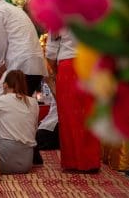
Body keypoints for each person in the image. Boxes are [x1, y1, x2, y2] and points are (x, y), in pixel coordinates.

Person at [46, 29, 100, 172]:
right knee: (89, 113)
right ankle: (91, 162)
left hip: (68, 67)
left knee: (69, 116)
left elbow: (51, 52)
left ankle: (74, 162)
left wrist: (55, 72)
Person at [0, 70, 39, 174]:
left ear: (5, 85)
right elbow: (34, 128)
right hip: (27, 160)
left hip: (5, 155)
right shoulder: (33, 103)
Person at [35, 81, 59, 151]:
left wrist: (49, 82)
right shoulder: (49, 83)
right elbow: (44, 100)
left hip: (55, 122)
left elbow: (60, 101)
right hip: (50, 121)